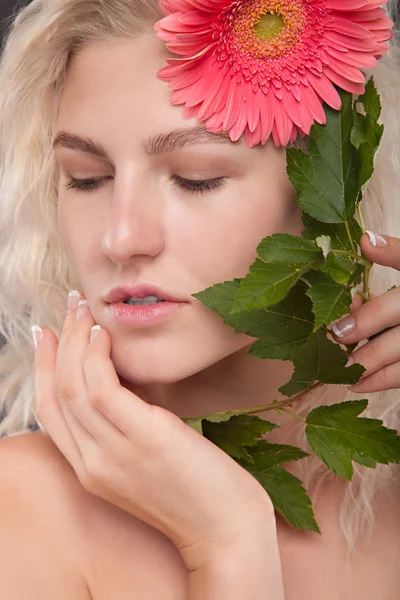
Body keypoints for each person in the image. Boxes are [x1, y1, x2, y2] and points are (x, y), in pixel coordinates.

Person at [0, 0, 400, 597]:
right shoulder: (21, 508)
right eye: (87, 178)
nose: (121, 237)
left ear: (333, 201)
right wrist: (225, 546)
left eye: (196, 177)